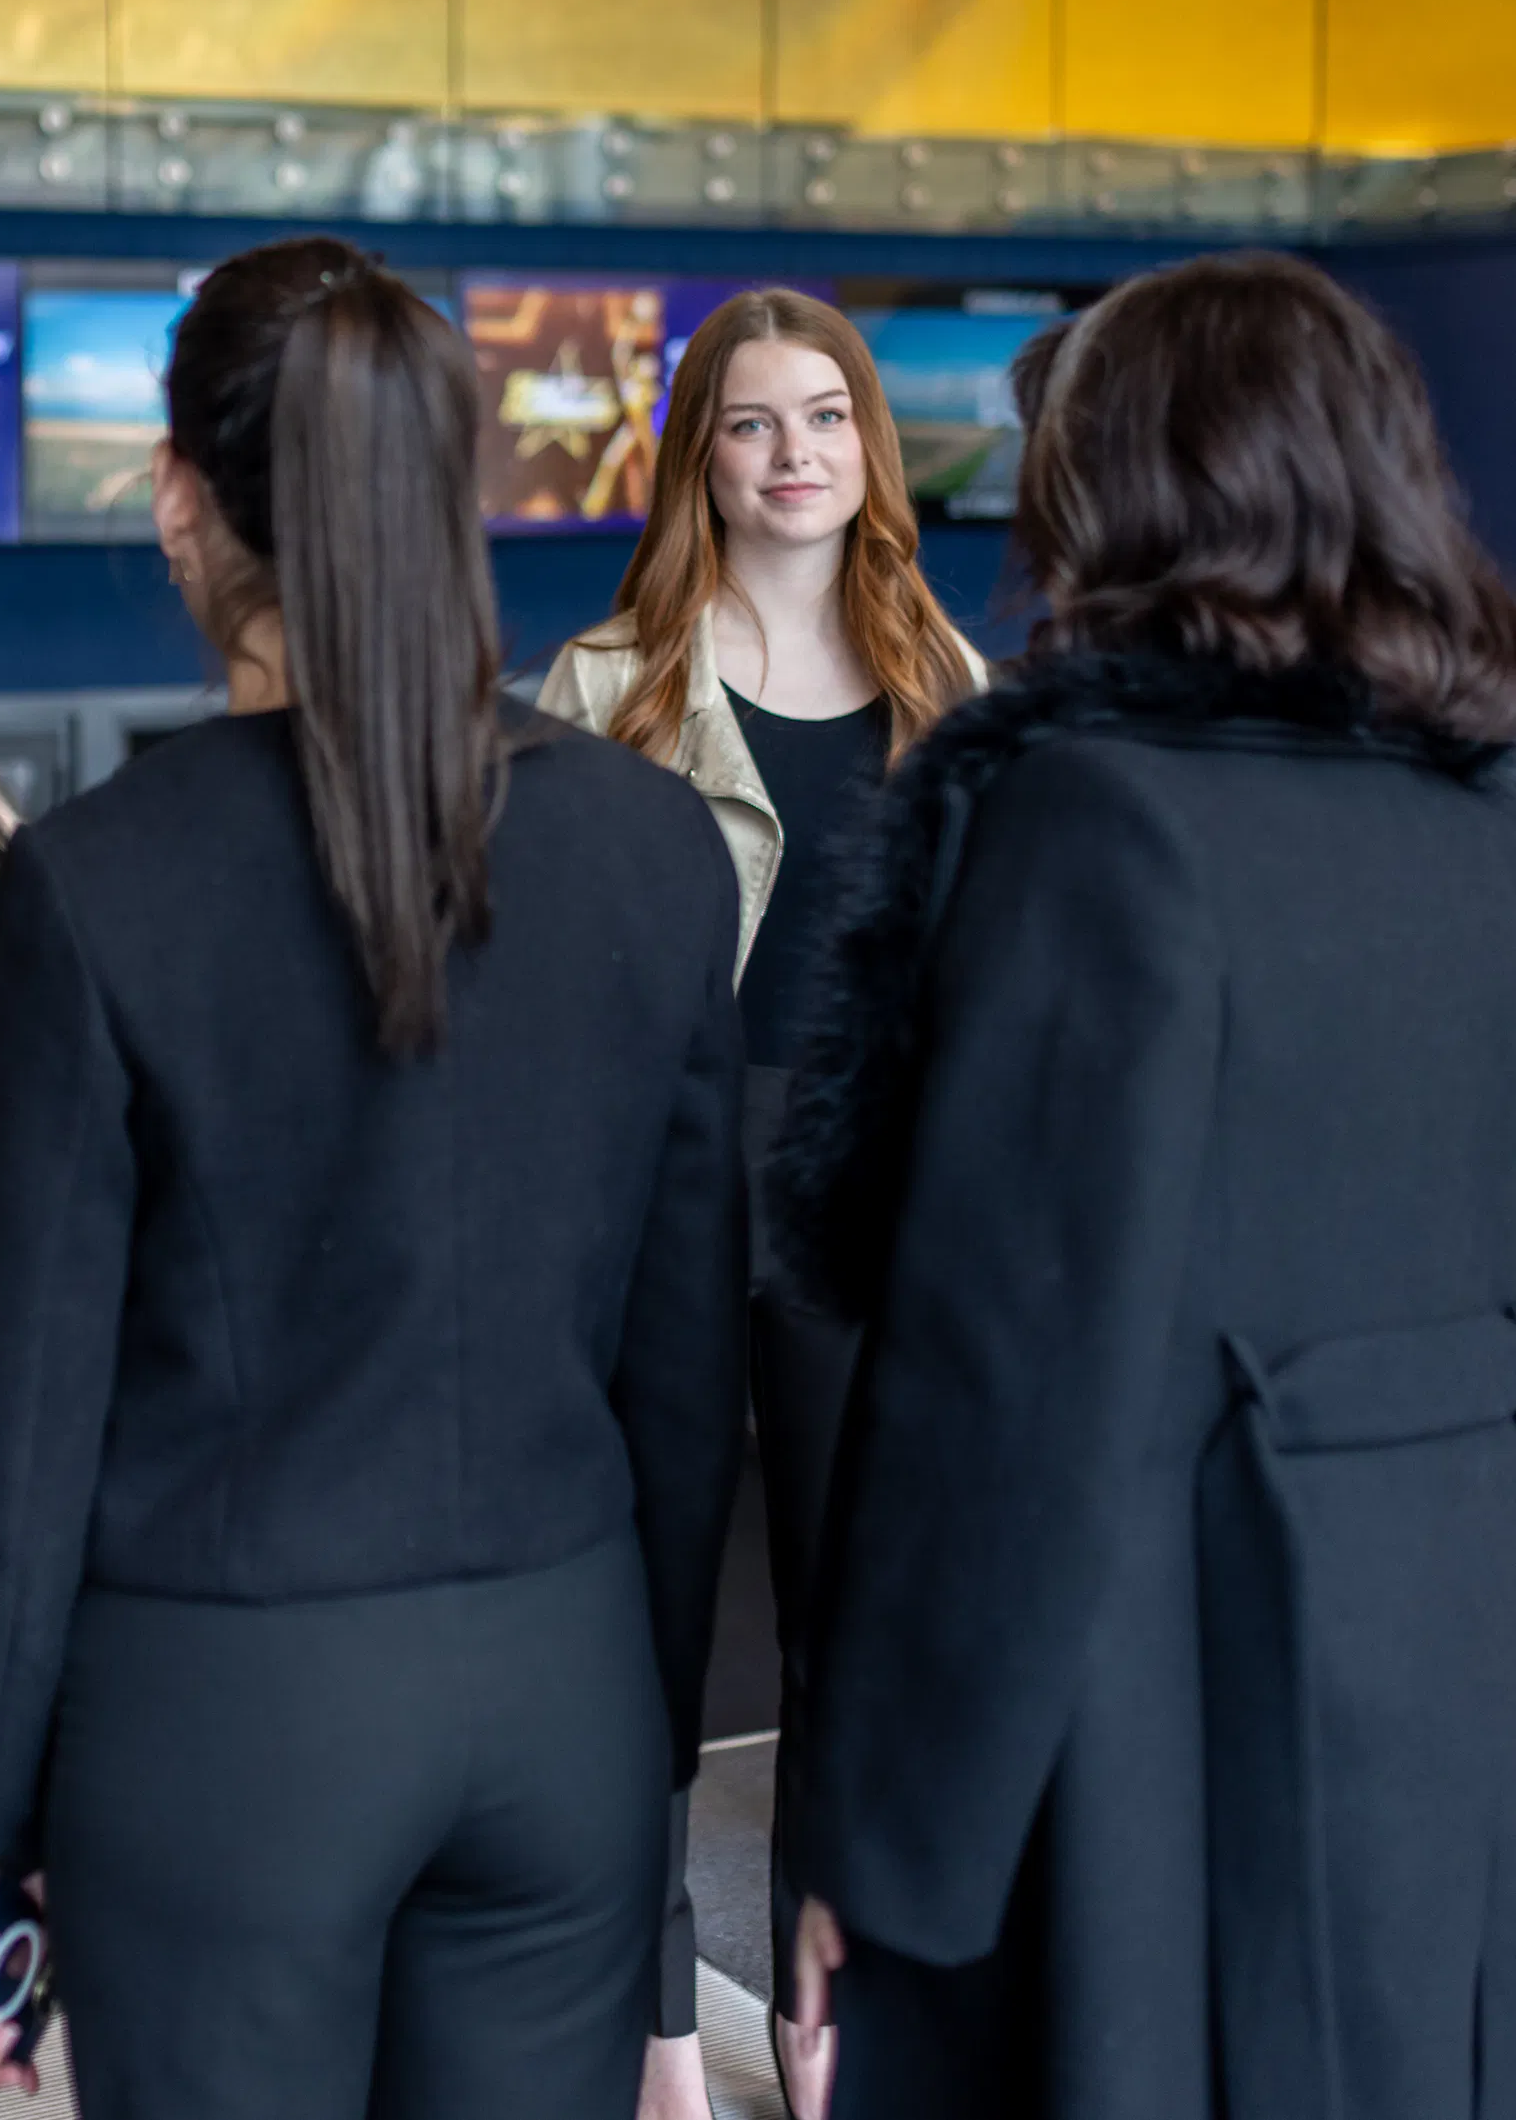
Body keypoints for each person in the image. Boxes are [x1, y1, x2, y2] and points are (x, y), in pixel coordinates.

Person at [768, 251, 1516, 2119]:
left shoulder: (1090, 819)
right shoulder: (1489, 817)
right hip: (1481, 1646)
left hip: (1177, 1671)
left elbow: (1008, 1374)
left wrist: (885, 1831)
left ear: (1126, 488)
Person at [0, 236, 748, 2118]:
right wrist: (643, 1727)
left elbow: (23, 1421)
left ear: (183, 501)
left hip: (224, 1723)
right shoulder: (655, 848)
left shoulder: (101, 881)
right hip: (566, 1693)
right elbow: (685, 1375)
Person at [535, 287, 984, 2120]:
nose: (794, 453)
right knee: (632, 1626)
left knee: (848, 1628)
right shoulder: (598, 686)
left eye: (826, 418)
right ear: (697, 455)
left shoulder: (958, 693)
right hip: (651, 1182)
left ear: (869, 448)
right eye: (749, 421)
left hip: (861, 1192)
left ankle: (816, 2023)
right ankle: (654, 2032)